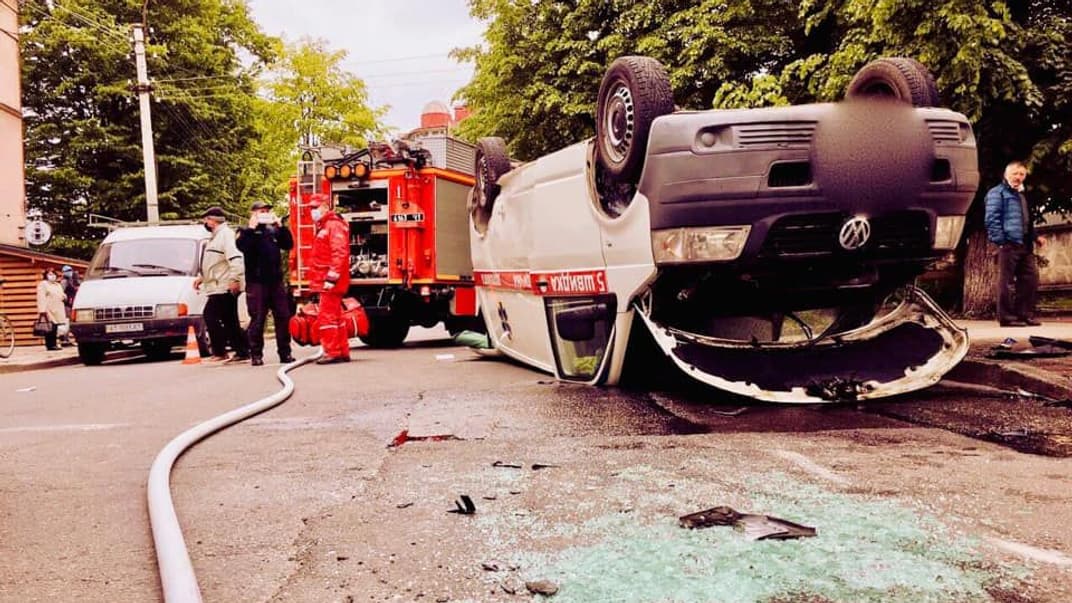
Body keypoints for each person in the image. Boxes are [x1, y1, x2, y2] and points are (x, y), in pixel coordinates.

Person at [984, 160, 1045, 327]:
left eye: (1021, 174)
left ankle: (1024, 315)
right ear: (1006, 174)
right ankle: (1006, 318)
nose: (1018, 177)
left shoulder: (1022, 195)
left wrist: (1035, 237)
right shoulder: (997, 193)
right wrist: (1001, 241)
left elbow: (1027, 221)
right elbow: (991, 219)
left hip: (1025, 244)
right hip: (1009, 244)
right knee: (1007, 281)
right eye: (1015, 174)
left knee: (1029, 279)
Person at [236, 201, 295, 366]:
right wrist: (251, 229)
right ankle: (256, 354)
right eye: (261, 211)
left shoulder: (273, 231)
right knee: (258, 319)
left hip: (275, 281)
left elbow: (288, 244)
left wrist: (280, 226)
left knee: (283, 317)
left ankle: (285, 353)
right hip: (256, 283)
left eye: (267, 211)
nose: (265, 214)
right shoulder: (244, 231)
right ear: (253, 213)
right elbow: (242, 247)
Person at [194, 206, 250, 362]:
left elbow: (235, 258)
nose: (205, 222)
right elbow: (214, 263)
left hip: (224, 285)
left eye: (206, 219)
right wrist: (202, 277)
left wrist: (235, 279)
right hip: (217, 284)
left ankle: (220, 351)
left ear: (213, 220)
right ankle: (242, 350)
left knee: (210, 315)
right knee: (229, 319)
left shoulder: (226, 235)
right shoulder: (216, 236)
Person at [307, 194, 352, 364]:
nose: (313, 211)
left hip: (329, 280)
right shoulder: (327, 225)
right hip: (327, 279)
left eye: (315, 207)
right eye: (311, 208)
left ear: (326, 206)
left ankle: (332, 352)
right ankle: (341, 351)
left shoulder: (333, 226)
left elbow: (339, 252)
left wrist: (331, 278)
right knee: (336, 317)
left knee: (327, 317)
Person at [36, 268, 67, 351]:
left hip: (57, 309)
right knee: (50, 327)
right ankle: (50, 345)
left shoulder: (57, 285)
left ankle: (54, 344)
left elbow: (61, 294)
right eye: (49, 274)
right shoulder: (43, 284)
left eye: (53, 274)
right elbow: (41, 297)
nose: (52, 276)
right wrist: (42, 310)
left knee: (55, 327)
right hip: (48, 309)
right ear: (46, 275)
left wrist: (64, 297)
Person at [60, 265, 80, 346]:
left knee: (72, 322)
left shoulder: (74, 281)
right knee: (67, 322)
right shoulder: (64, 281)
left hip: (74, 303)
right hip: (67, 304)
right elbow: (61, 292)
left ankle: (69, 338)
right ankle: (64, 339)